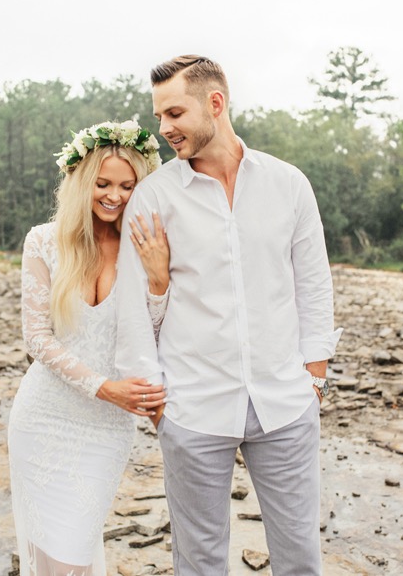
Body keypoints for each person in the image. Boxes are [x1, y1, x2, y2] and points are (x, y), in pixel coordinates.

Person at [116, 56, 343, 575]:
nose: (164, 128)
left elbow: (313, 285)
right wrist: (157, 405)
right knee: (198, 563)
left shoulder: (289, 185)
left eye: (174, 113)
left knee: (301, 559)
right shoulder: (154, 196)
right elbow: (133, 304)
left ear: (215, 104)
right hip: (192, 406)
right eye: (158, 117)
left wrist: (315, 377)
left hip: (285, 403)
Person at [8, 120, 170, 576]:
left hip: (105, 430)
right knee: (53, 562)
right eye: (102, 183)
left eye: (126, 185)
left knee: (75, 548)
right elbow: (36, 337)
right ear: (81, 182)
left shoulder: (144, 247)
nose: (113, 195)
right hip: (43, 418)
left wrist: (159, 279)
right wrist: (104, 387)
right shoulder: (43, 241)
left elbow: (156, 335)